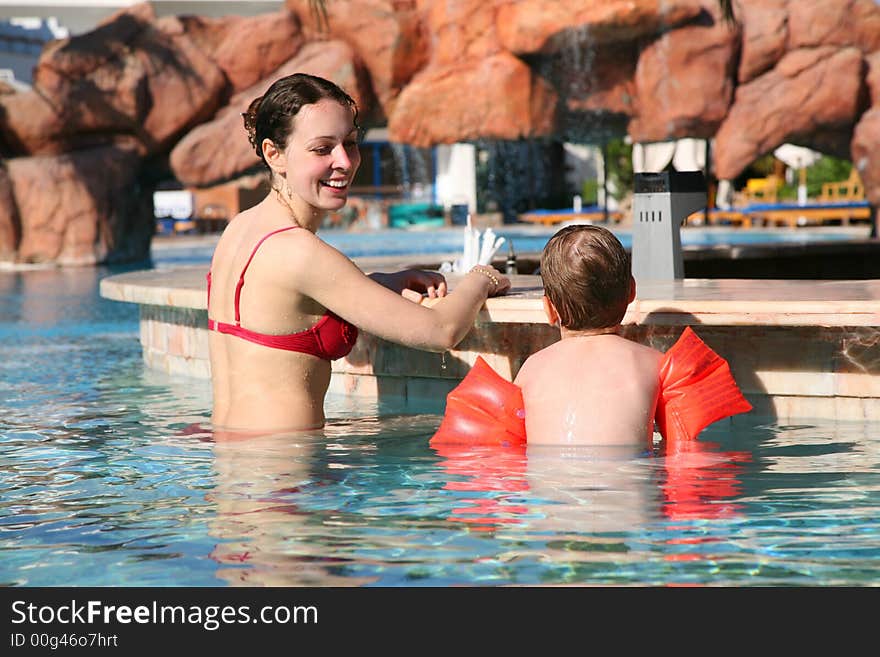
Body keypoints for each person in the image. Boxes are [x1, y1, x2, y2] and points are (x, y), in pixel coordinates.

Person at [207, 72, 510, 434]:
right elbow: (441, 331)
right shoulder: (300, 252)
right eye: (322, 149)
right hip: (287, 478)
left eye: (350, 143)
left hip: (236, 467)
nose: (345, 162)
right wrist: (482, 278)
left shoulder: (240, 228)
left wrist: (379, 283)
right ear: (275, 154)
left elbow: (285, 306)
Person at [512, 224, 663, 447]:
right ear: (631, 291)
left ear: (549, 309)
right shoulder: (654, 364)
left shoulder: (531, 370)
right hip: (628, 479)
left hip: (549, 480)